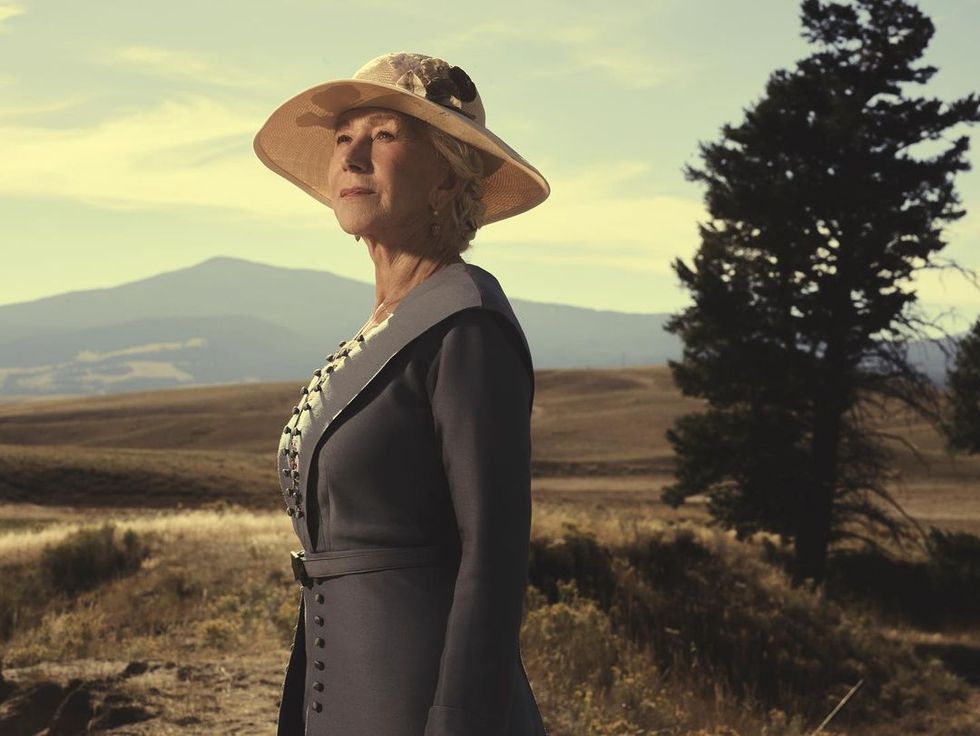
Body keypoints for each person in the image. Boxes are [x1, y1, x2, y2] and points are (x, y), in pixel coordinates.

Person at [253, 51, 550, 736]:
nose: (353, 158)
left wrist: (459, 724)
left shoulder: (466, 322)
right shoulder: (383, 326)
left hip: (423, 709)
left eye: (384, 136)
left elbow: (495, 558)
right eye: (342, 139)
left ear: (448, 172)